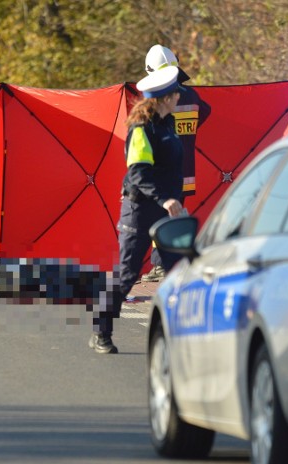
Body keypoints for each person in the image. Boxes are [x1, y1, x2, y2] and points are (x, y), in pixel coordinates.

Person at [90, 66, 185, 354]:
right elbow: (139, 173)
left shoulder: (169, 124)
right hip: (140, 209)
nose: (180, 95)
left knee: (179, 272)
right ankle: (101, 330)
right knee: (129, 273)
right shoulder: (142, 128)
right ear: (165, 98)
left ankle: (178, 334)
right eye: (176, 92)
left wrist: (173, 201)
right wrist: (164, 199)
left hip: (166, 210)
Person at [140, 44, 210, 282]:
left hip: (165, 173)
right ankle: (173, 264)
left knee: (160, 218)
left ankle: (161, 265)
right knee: (172, 217)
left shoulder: (161, 99)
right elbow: (206, 111)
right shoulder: (192, 96)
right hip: (186, 173)